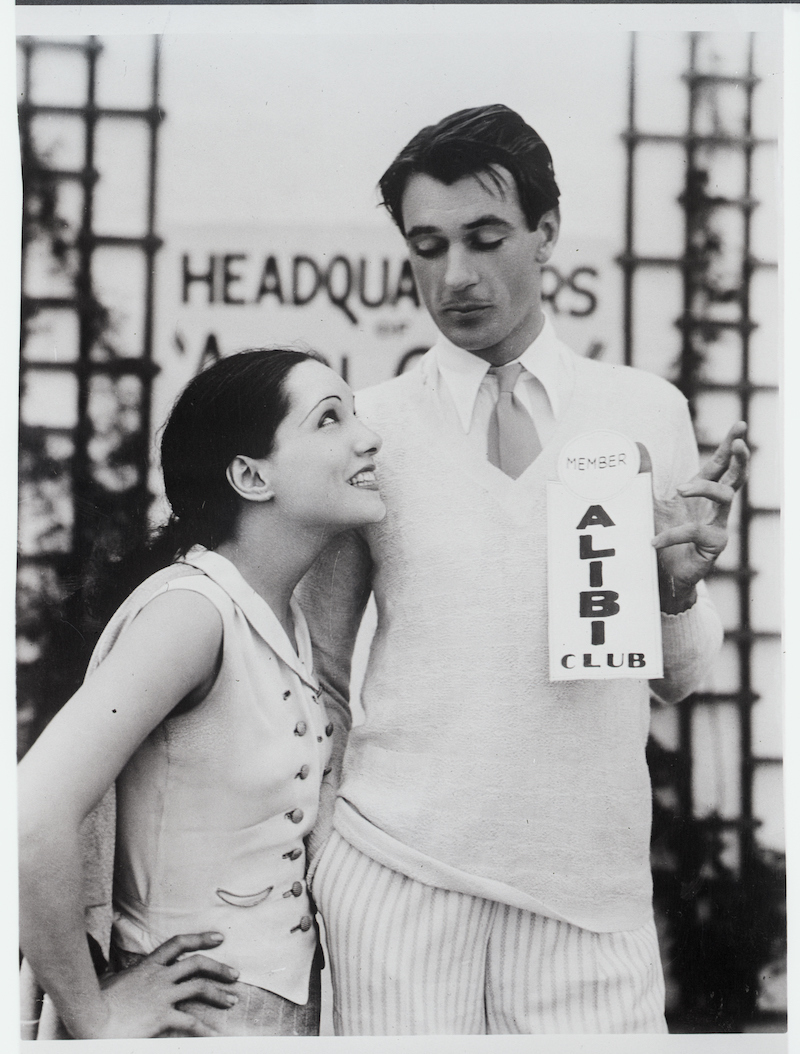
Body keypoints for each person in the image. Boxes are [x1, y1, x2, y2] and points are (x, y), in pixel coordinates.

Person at [298, 105, 750, 1035]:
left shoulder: (642, 411)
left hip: (589, 899)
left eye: (486, 237)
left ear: (545, 234)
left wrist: (675, 588)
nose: (455, 276)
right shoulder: (370, 427)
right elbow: (322, 677)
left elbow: (677, 679)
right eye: (428, 246)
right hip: (397, 883)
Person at [18, 348, 385, 1039]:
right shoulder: (193, 613)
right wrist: (94, 1017)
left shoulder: (282, 617)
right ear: (250, 475)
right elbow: (29, 814)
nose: (368, 437)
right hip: (189, 1027)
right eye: (330, 419)